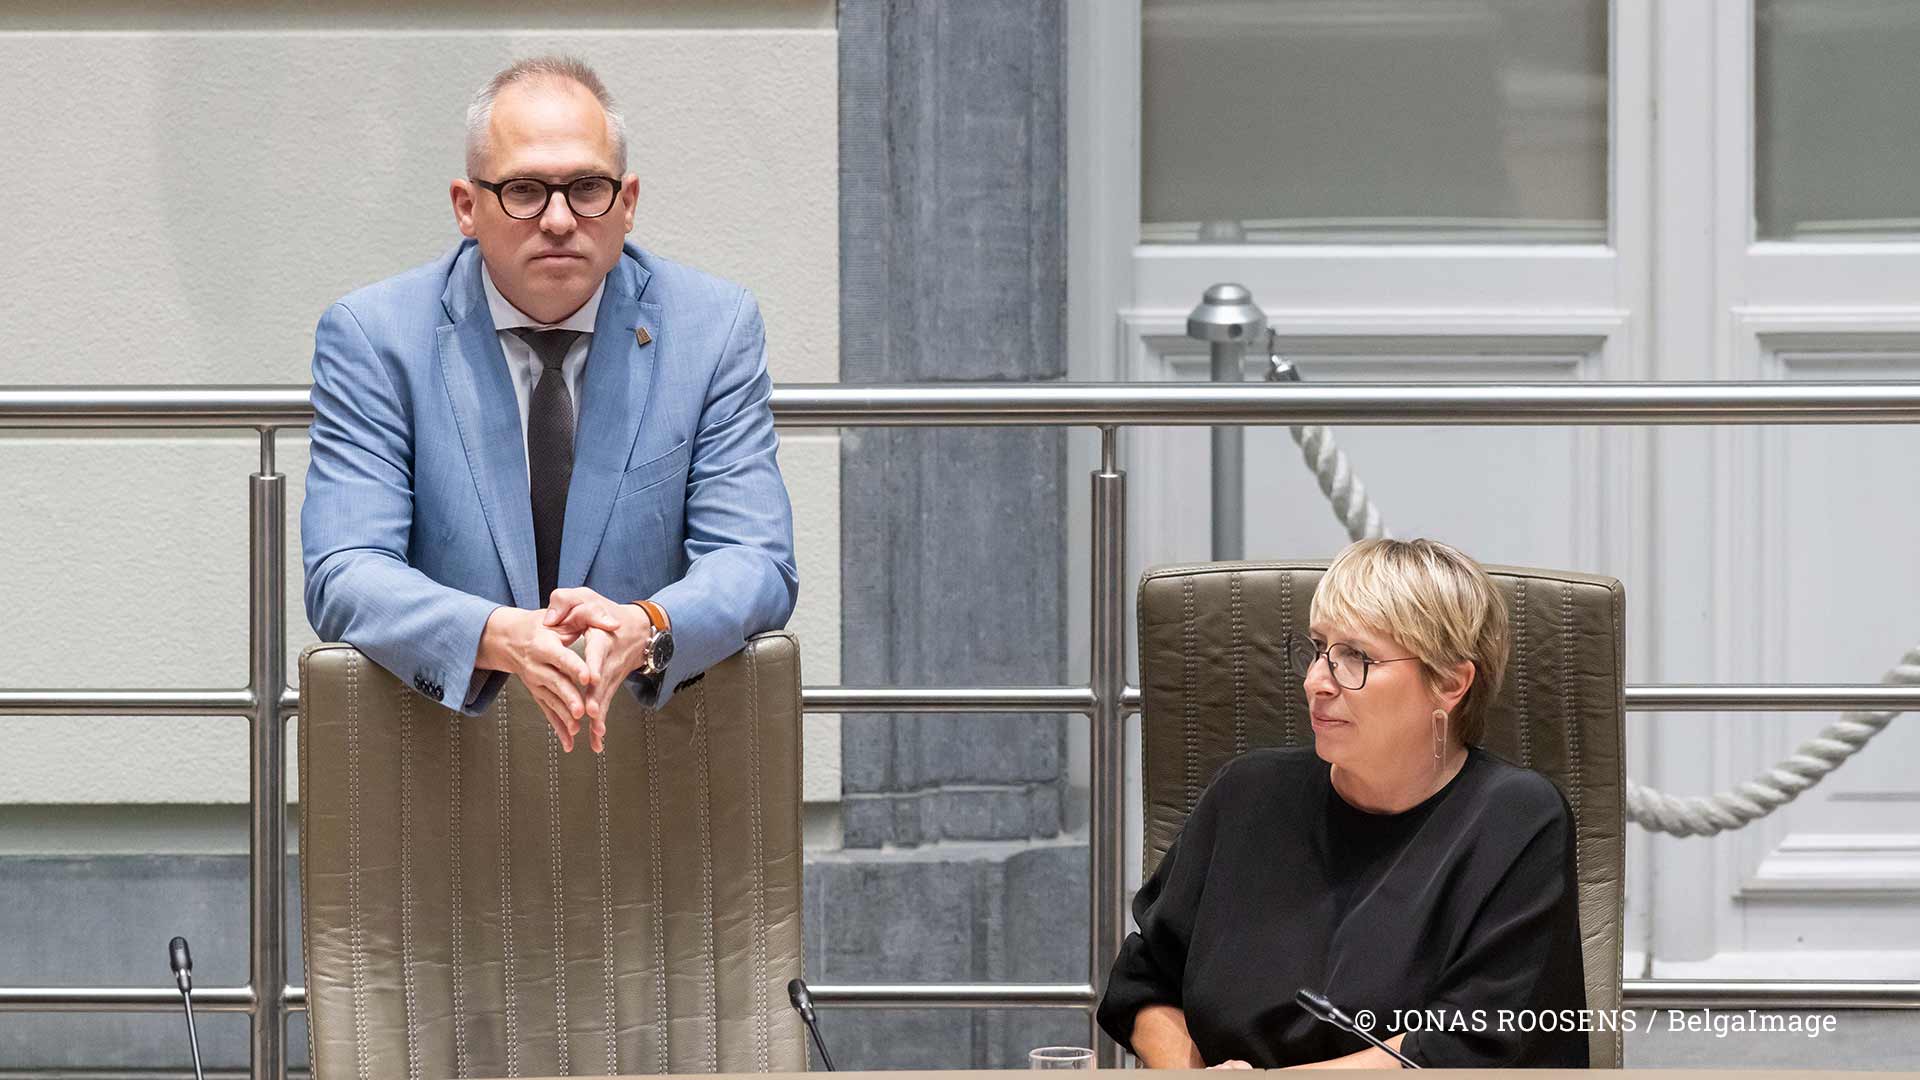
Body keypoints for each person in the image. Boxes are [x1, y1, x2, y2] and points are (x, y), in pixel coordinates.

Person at [301, 56, 797, 754]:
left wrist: (647, 624)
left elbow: (756, 559)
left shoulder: (714, 328)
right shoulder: (375, 336)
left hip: (649, 759)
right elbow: (345, 570)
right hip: (445, 759)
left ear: (626, 203)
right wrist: (500, 636)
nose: (560, 219)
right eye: (526, 190)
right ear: (466, 207)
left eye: (587, 188)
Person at [1098, 538, 1589, 1069]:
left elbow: (1467, 1044)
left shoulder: (1514, 819)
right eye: (1316, 650)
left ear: (1450, 681)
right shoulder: (1246, 793)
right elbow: (1145, 980)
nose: (1315, 682)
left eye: (1355, 657)